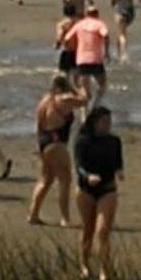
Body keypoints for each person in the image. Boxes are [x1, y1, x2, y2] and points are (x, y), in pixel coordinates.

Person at [28, 74, 87, 227]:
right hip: (57, 141)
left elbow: (39, 126)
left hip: (45, 141)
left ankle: (33, 214)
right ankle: (65, 218)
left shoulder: (44, 101)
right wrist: (77, 87)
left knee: (45, 180)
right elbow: (85, 99)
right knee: (65, 180)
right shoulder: (64, 99)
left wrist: (39, 146)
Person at [74, 106, 123, 280]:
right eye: (104, 122)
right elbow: (78, 166)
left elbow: (118, 162)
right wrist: (88, 176)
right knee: (88, 229)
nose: (108, 125)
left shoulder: (114, 141)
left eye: (109, 122)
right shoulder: (82, 141)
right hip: (86, 190)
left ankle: (105, 269)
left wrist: (119, 171)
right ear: (94, 122)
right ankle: (84, 264)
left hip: (107, 189)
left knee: (102, 231)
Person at [63, 6, 110, 111]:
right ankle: (95, 105)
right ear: (97, 14)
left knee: (85, 90)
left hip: (82, 60)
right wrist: (106, 52)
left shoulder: (79, 24)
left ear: (87, 14)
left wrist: (72, 49)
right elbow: (105, 34)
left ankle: (84, 110)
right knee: (102, 85)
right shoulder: (99, 24)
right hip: (96, 60)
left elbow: (66, 38)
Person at [56, 4, 81, 85]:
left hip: (67, 50)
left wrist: (57, 44)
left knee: (64, 74)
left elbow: (60, 36)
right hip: (78, 51)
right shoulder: (79, 23)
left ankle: (65, 89)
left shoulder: (62, 24)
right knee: (76, 75)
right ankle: (77, 91)